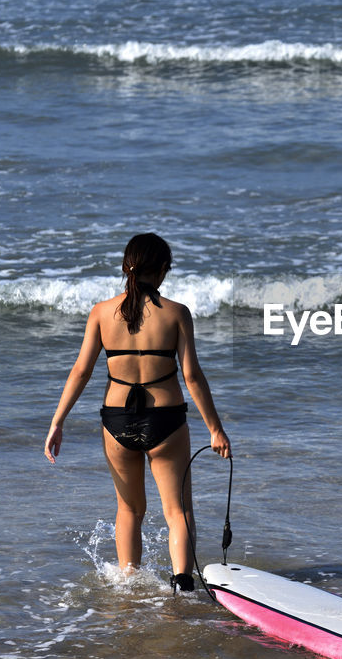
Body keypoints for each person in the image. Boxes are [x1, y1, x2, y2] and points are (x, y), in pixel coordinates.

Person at [44, 233, 231, 591]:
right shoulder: (177, 314)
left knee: (129, 510)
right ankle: (182, 588)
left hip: (116, 423)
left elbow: (80, 371)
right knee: (178, 512)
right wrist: (215, 429)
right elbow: (191, 376)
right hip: (166, 421)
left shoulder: (101, 313)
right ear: (162, 271)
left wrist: (58, 421)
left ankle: (128, 587)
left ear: (126, 268)